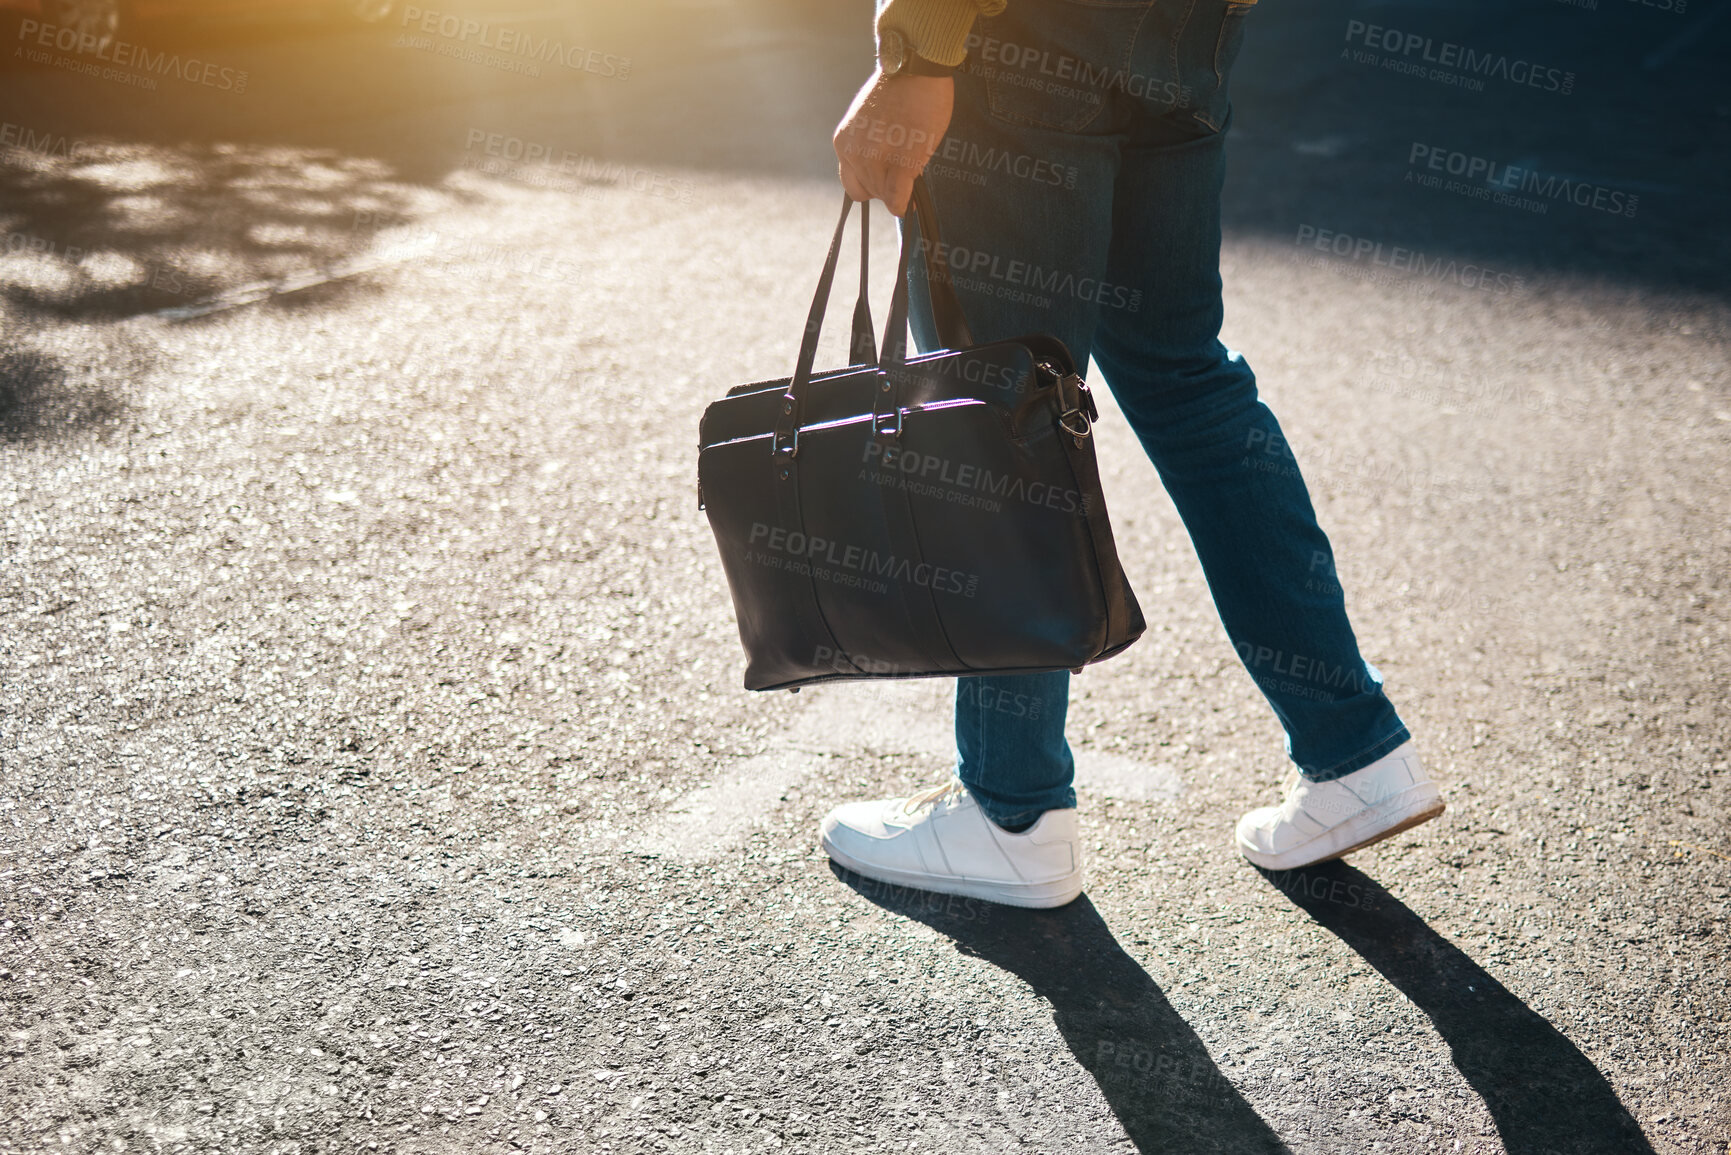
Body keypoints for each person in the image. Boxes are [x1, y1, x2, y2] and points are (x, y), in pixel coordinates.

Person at [817, 0, 1445, 908]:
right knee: (1185, 379)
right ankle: (1356, 749)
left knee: (995, 405)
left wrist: (917, 48)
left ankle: (1010, 808)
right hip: (1185, 35)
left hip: (1024, 43)